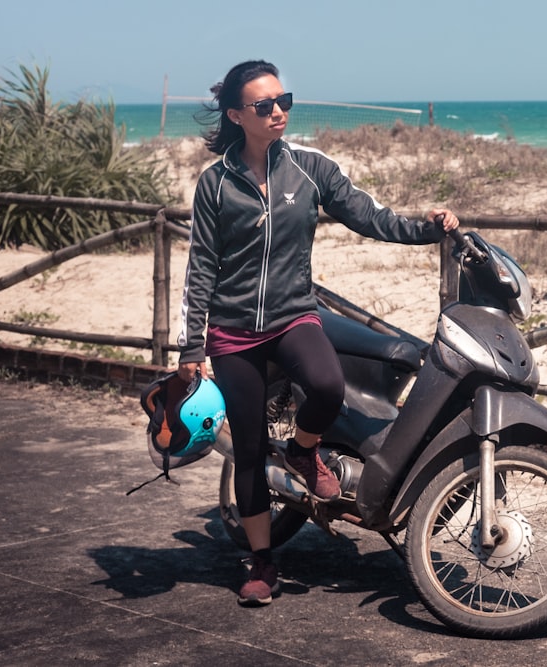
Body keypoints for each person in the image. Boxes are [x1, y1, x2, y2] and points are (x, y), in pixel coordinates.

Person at [176, 60, 459, 607]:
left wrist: (426, 229)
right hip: (233, 334)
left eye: (284, 99)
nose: (278, 110)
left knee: (327, 385)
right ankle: (261, 563)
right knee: (252, 450)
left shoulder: (308, 168)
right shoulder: (215, 184)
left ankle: (306, 452)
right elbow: (200, 269)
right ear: (237, 115)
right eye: (264, 105)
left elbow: (367, 214)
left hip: (293, 317)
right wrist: (192, 346)